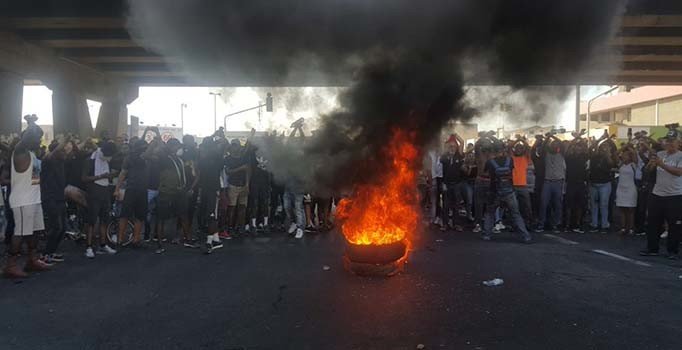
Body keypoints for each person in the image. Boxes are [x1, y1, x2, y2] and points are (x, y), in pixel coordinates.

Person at [2, 115, 51, 278]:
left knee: (35, 231)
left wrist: (36, 127)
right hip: (23, 201)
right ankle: (10, 265)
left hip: (34, 199)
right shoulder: (20, 151)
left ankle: (32, 260)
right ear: (28, 139)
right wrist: (30, 123)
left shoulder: (32, 153)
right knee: (20, 232)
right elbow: (28, 137)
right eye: (37, 138)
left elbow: (37, 134)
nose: (40, 141)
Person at [640, 129, 682, 259]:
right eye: (667, 141)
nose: (669, 144)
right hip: (657, 193)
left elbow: (678, 172)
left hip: (674, 194)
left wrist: (661, 164)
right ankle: (652, 248)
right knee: (653, 222)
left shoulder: (680, 156)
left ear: (678, 142)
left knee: (674, 224)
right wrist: (651, 165)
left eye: (672, 141)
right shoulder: (660, 153)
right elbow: (648, 170)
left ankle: (672, 251)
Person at [481, 141, 532, 243]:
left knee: (490, 213)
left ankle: (487, 234)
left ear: (494, 151)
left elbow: (485, 172)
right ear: (503, 150)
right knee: (516, 214)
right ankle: (526, 236)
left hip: (495, 192)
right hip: (509, 192)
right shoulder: (510, 160)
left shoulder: (490, 162)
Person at [154, 138, 196, 253]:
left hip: (180, 192)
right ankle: (159, 243)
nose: (179, 148)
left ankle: (188, 240)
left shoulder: (179, 159)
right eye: (177, 146)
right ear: (171, 147)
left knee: (183, 215)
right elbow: (161, 148)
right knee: (161, 217)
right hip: (166, 192)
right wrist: (158, 135)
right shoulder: (164, 159)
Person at [82, 140, 118, 258]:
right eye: (108, 156)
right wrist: (100, 176)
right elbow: (84, 178)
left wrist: (111, 176)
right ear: (103, 152)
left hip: (105, 190)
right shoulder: (90, 160)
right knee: (91, 221)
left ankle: (103, 244)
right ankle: (88, 246)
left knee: (104, 220)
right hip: (93, 191)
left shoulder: (106, 161)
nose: (109, 158)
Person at [41, 136, 73, 264]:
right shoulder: (48, 160)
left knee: (63, 228)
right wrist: (65, 139)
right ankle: (45, 254)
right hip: (50, 198)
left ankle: (51, 252)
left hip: (59, 198)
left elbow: (76, 151)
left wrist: (73, 143)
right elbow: (56, 151)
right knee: (56, 227)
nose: (65, 154)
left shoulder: (61, 162)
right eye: (62, 152)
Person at [113, 139, 150, 247]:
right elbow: (123, 173)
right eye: (143, 147)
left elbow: (123, 174)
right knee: (125, 215)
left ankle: (135, 239)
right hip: (132, 189)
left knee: (139, 216)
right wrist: (117, 189)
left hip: (141, 190)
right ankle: (120, 239)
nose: (145, 148)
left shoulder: (146, 157)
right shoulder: (130, 158)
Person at [197, 136, 226, 254]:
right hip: (210, 190)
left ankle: (213, 241)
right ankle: (213, 240)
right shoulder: (214, 158)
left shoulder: (207, 159)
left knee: (211, 215)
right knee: (211, 215)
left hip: (210, 190)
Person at [588, 134, 616, 233]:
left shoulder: (610, 157)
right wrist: (600, 139)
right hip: (594, 183)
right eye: (602, 146)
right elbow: (591, 148)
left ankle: (604, 224)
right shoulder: (594, 156)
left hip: (604, 183)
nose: (603, 148)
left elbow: (611, 164)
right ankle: (594, 224)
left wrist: (607, 153)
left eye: (606, 146)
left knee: (604, 204)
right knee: (594, 204)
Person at [224, 139, 251, 235]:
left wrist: (247, 185)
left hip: (243, 185)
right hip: (233, 185)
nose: (235, 147)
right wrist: (240, 168)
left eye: (236, 145)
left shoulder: (243, 157)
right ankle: (230, 227)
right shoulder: (228, 158)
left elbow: (248, 171)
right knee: (232, 208)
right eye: (233, 145)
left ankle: (240, 227)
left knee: (242, 207)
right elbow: (227, 171)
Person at [440, 134, 465, 231]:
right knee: (446, 205)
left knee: (456, 205)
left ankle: (456, 224)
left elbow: (462, 142)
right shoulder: (444, 157)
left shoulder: (459, 155)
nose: (452, 148)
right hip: (447, 184)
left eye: (454, 146)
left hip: (457, 184)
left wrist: (455, 134)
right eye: (450, 146)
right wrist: (447, 138)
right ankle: (445, 224)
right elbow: (443, 144)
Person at [615, 148, 639, 235]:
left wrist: (630, 149)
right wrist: (624, 146)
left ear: (630, 157)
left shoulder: (633, 164)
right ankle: (623, 227)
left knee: (630, 210)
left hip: (630, 188)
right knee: (622, 209)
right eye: (623, 155)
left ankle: (631, 228)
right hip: (621, 188)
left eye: (626, 156)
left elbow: (635, 154)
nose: (624, 157)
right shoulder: (620, 164)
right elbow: (616, 153)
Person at [509, 136, 532, 226]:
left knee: (527, 206)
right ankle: (514, 224)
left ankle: (527, 223)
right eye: (517, 148)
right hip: (513, 186)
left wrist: (521, 140)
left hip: (523, 186)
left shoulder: (526, 158)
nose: (519, 150)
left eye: (521, 148)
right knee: (513, 207)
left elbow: (528, 148)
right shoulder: (512, 158)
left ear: (523, 150)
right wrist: (517, 140)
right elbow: (510, 147)